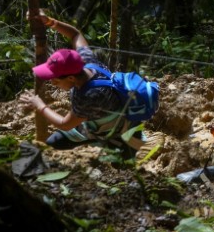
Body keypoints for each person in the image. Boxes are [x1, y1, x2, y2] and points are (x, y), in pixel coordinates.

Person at [19, 14, 144, 160]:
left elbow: (65, 124)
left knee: (121, 167)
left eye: (56, 81)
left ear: (71, 78)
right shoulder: (86, 63)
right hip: (96, 124)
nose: (53, 84)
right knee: (54, 142)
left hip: (123, 131)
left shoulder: (90, 96)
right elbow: (75, 34)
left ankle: (117, 148)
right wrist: (51, 22)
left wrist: (40, 105)